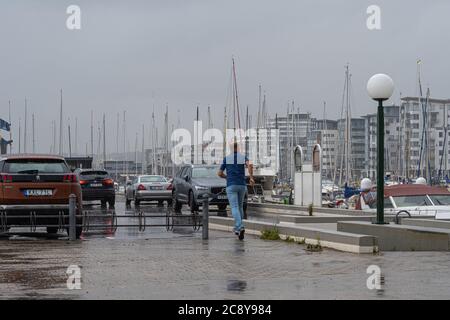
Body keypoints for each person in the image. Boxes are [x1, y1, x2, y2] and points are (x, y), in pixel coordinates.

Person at [218, 141, 254, 240]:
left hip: (231, 185)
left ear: (230, 148)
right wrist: (251, 177)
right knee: (240, 207)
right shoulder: (242, 157)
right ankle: (238, 229)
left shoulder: (227, 158)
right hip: (242, 185)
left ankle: (240, 226)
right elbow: (250, 165)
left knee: (234, 207)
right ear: (238, 148)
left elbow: (219, 173)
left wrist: (227, 177)